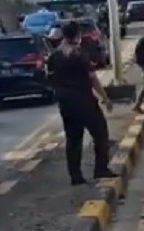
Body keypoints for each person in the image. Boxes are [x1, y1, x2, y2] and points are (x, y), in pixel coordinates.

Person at [47, 21, 117, 185]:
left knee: (73, 139)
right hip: (84, 101)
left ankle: (75, 176)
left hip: (66, 103)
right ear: (77, 35)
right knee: (100, 134)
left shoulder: (54, 56)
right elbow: (93, 79)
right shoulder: (79, 55)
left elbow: (49, 79)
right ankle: (100, 168)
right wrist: (105, 98)